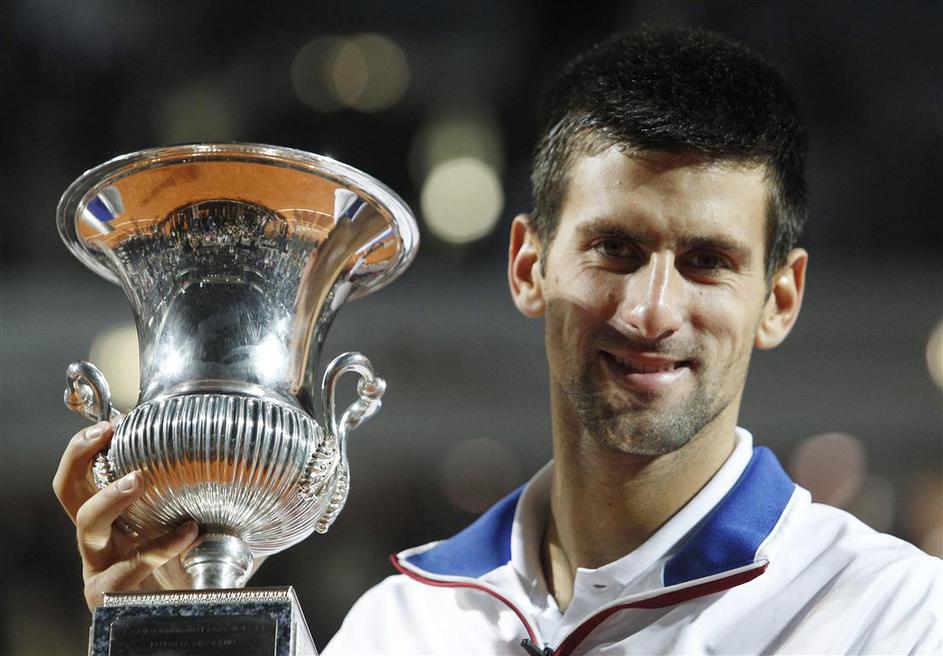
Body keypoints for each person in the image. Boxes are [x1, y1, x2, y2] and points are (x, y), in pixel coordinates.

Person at [54, 26, 940, 655]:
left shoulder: (891, 619)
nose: (651, 311)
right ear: (527, 266)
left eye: (707, 262)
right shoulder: (394, 630)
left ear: (779, 299)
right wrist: (176, 630)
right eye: (613, 249)